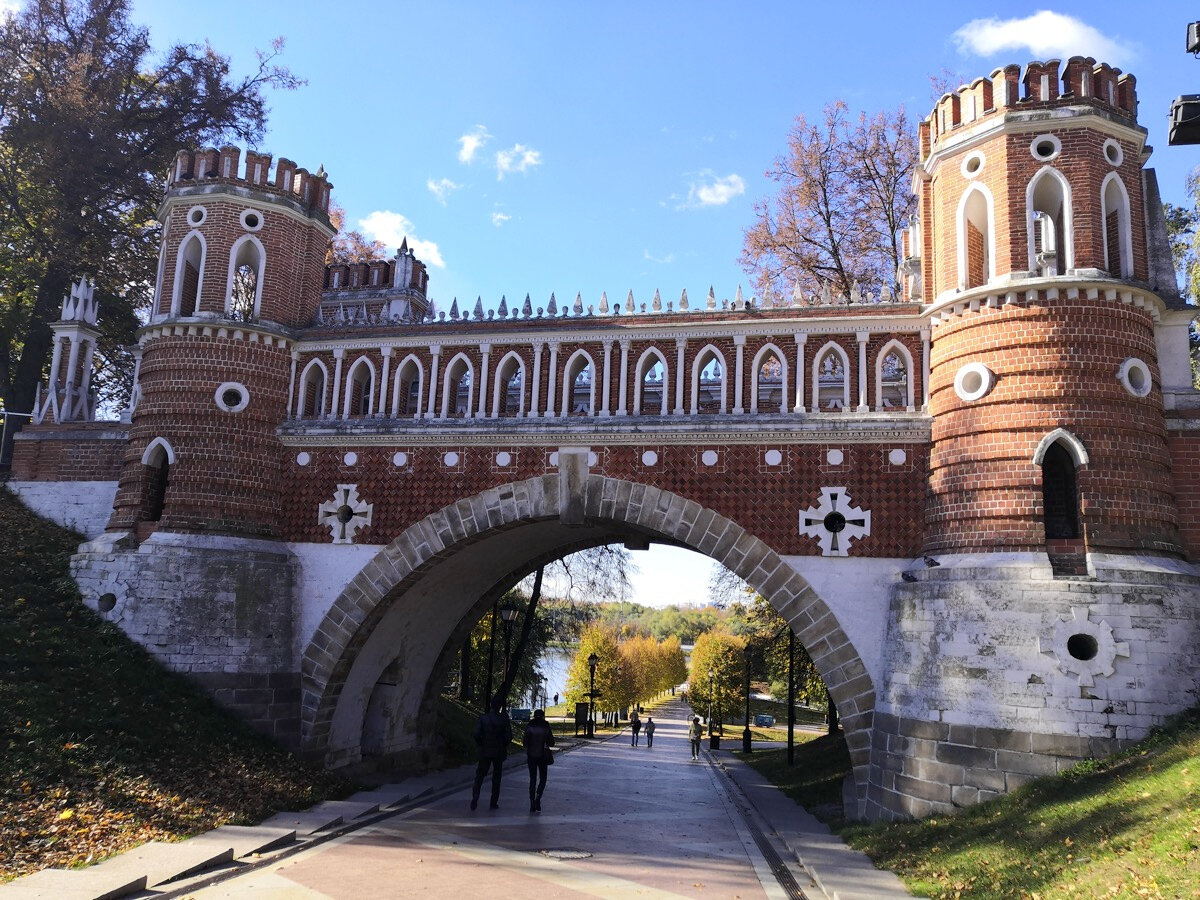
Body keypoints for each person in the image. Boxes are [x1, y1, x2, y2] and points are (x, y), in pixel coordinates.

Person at [471, 696, 513, 810]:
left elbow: (476, 733)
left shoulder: (483, 718)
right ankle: (493, 802)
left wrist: (481, 743)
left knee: (480, 775)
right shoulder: (503, 719)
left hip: (485, 749)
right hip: (498, 750)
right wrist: (503, 744)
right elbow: (509, 736)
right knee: (496, 777)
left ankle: (475, 795)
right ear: (499, 707)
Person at [522, 708, 556, 812]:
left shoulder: (530, 725)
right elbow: (551, 742)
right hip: (542, 756)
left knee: (532, 779)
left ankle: (532, 802)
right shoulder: (545, 725)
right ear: (542, 715)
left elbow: (525, 742)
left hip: (531, 756)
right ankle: (538, 796)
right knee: (543, 778)